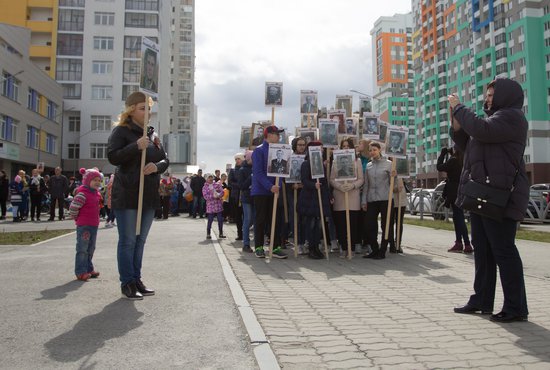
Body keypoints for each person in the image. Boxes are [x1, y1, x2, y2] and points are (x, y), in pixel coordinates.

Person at [449, 77, 529, 323]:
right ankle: (482, 300)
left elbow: (482, 131)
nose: (488, 98)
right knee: (482, 250)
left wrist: (461, 109)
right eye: (487, 95)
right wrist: (456, 120)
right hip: (482, 194)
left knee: (503, 251)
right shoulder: (492, 121)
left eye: (492, 95)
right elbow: (468, 140)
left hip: (501, 196)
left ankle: (516, 307)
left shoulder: (512, 117)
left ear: (506, 95)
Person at [107, 91, 169, 300]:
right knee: (127, 240)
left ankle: (137, 278)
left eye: (149, 109)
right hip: (127, 193)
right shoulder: (121, 132)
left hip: (149, 193)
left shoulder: (152, 135)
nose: (147, 112)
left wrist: (156, 166)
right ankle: (127, 282)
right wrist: (136, 146)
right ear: (131, 110)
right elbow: (113, 157)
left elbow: (165, 160)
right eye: (143, 108)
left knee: (140, 240)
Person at [251, 125, 288, 259]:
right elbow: (258, 173)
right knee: (260, 219)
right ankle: (259, 247)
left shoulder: (279, 150)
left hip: (275, 190)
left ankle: (276, 246)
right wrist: (269, 186)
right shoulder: (259, 151)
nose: (279, 136)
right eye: (277, 134)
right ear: (269, 135)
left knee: (276, 219)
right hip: (261, 191)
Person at [298, 141, 332, 259]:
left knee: (319, 223)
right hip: (309, 198)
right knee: (311, 223)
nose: (322, 150)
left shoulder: (320, 164)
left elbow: (325, 181)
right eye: (320, 148)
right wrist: (314, 185)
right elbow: (304, 180)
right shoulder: (306, 164)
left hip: (319, 197)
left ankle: (316, 246)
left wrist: (329, 196)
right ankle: (311, 247)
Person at [330, 139, 364, 257]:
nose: (345, 148)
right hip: (340, 196)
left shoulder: (357, 161)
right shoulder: (335, 162)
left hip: (353, 196)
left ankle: (352, 248)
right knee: (341, 224)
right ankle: (343, 247)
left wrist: (353, 185)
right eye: (343, 146)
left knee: (353, 224)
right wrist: (340, 186)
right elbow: (331, 179)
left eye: (347, 146)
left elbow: (361, 179)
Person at [361, 142, 395, 259]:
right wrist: (364, 200)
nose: (372, 152)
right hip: (372, 199)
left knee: (386, 225)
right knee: (368, 225)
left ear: (380, 150)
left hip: (386, 198)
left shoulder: (389, 164)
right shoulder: (369, 166)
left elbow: (393, 185)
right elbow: (366, 184)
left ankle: (383, 250)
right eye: (370, 150)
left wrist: (394, 177)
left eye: (374, 150)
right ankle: (374, 248)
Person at [69, 168, 103, 281]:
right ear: (87, 181)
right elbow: (73, 208)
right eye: (95, 180)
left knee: (91, 248)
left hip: (93, 225)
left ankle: (88, 268)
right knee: (82, 249)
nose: (97, 182)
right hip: (84, 225)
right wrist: (77, 219)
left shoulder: (96, 194)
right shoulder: (83, 194)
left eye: (99, 180)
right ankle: (80, 271)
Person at [437, 146, 472, 253]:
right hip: (460, 190)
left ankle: (466, 243)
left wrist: (443, 154)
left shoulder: (453, 160)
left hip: (453, 191)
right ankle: (459, 242)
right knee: (457, 217)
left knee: (459, 218)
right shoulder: (463, 160)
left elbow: (439, 167)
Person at [238, 150, 254, 252]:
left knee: (254, 220)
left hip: (256, 197)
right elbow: (241, 186)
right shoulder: (242, 170)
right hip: (247, 198)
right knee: (247, 220)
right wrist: (251, 177)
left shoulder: (256, 167)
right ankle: (246, 244)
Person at [203, 173, 226, 239]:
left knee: (220, 219)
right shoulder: (205, 187)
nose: (210, 179)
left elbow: (222, 192)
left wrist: (219, 195)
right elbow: (205, 196)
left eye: (211, 177)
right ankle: (208, 233)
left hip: (218, 205)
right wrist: (213, 196)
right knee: (210, 220)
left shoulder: (217, 184)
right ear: (206, 179)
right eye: (209, 177)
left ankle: (221, 233)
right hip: (210, 206)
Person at [228, 153, 244, 240]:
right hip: (236, 195)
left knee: (245, 216)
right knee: (238, 215)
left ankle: (245, 233)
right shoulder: (233, 170)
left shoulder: (245, 169)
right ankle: (239, 234)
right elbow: (230, 182)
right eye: (236, 159)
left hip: (244, 194)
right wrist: (238, 185)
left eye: (239, 159)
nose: (237, 160)